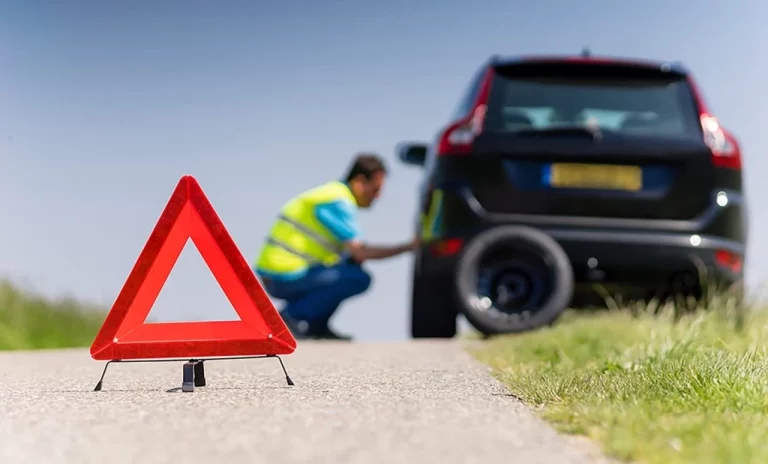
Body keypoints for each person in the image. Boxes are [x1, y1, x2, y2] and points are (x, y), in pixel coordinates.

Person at [253, 153, 417, 340]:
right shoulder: (336, 201)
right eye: (375, 189)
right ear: (360, 182)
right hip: (283, 275)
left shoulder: (332, 194)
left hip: (283, 272)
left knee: (352, 265)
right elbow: (361, 251)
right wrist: (409, 247)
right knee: (357, 277)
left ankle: (316, 325)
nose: (378, 197)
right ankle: (290, 318)